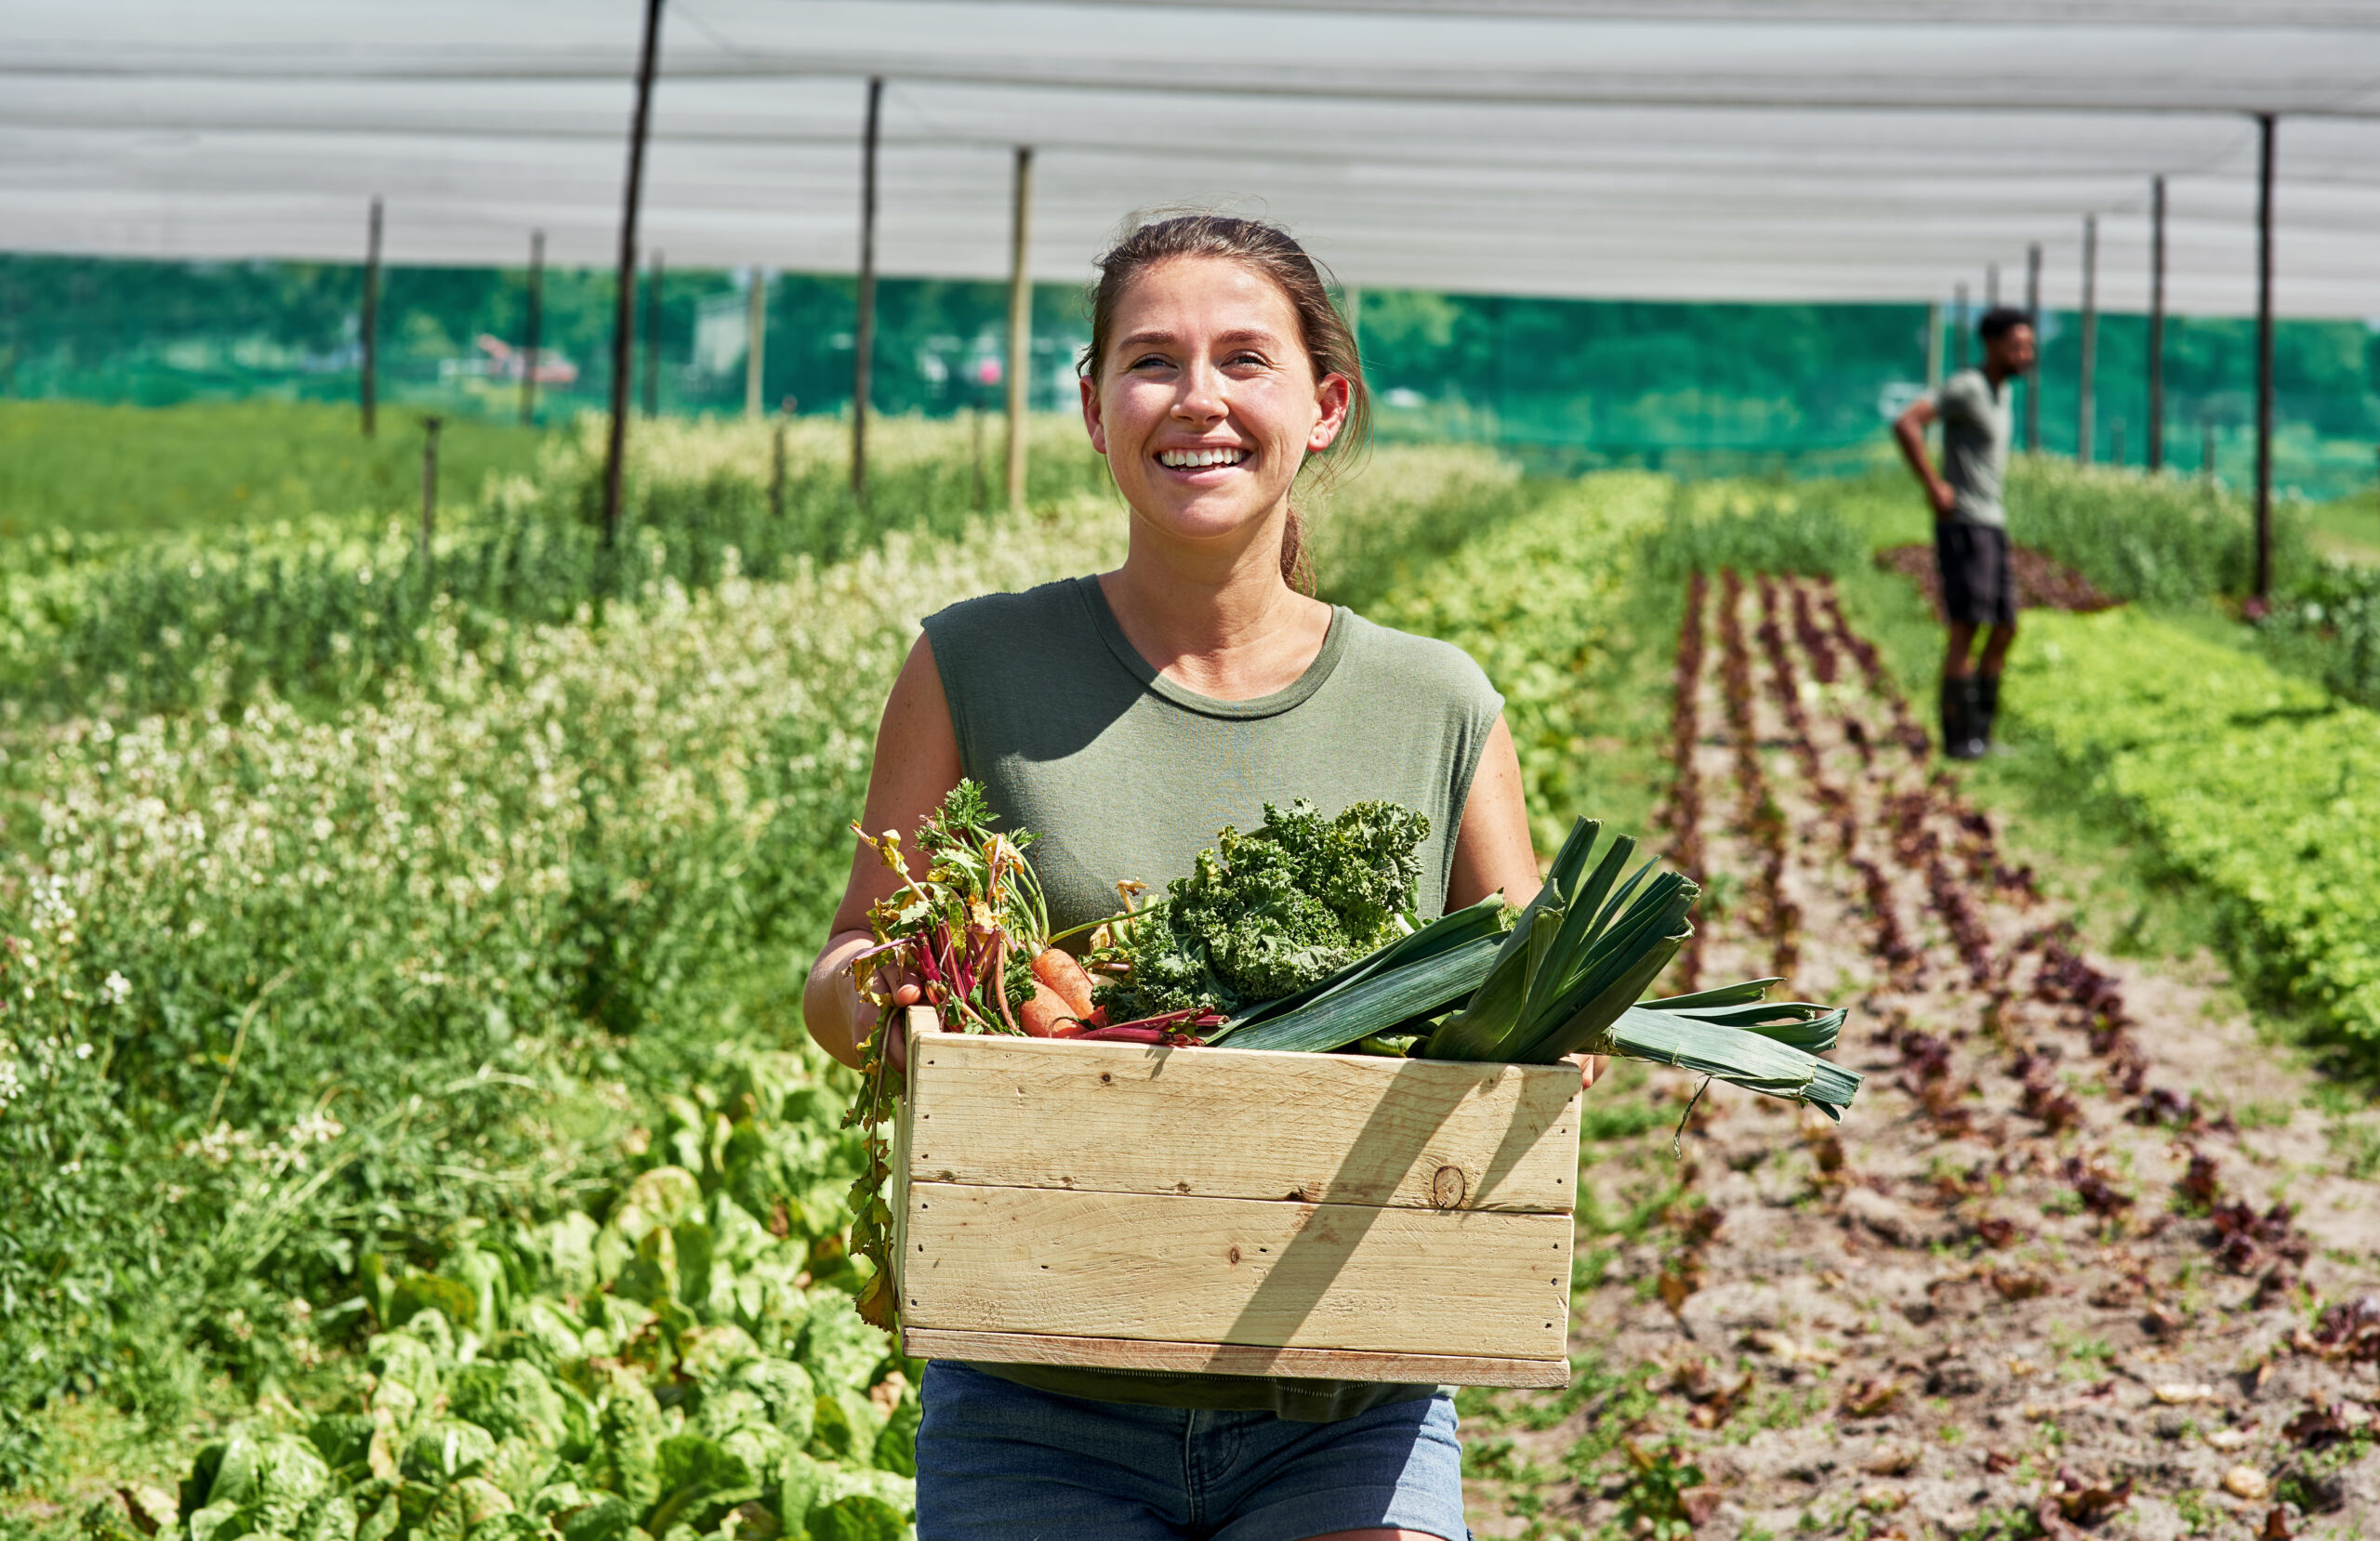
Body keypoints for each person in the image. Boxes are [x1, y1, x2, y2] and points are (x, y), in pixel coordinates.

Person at [803, 213, 1597, 1540]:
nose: (1199, 401)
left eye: (1245, 359)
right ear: (1094, 405)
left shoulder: (1436, 702)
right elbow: (836, 975)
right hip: (1034, 1382)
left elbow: (1530, 1000)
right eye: (1153, 361)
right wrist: (893, 988)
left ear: (1324, 404)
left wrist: (1557, 1043)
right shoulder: (971, 665)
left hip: (1350, 1386)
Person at [1891, 305, 2038, 759]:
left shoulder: (2001, 392)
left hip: (1991, 521)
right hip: (1965, 523)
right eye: (2016, 345)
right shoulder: (1968, 387)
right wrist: (1934, 486)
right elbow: (1907, 422)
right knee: (1966, 627)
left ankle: (1982, 733)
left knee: (2006, 627)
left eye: (2029, 345)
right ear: (1992, 344)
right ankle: (1959, 740)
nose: (2025, 354)